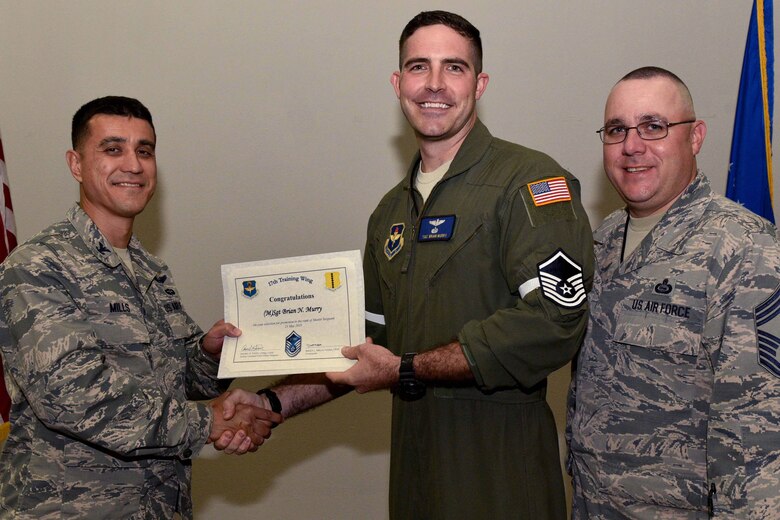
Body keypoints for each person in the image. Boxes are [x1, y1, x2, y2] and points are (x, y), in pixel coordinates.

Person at [218, 11, 593, 519]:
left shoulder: (529, 183)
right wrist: (272, 405)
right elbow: (360, 350)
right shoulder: (390, 213)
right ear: (398, 83)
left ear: (480, 84)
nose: (434, 84)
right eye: (419, 67)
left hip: (500, 478)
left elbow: (555, 323)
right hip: (417, 480)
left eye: (454, 68)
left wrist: (407, 368)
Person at [0, 96, 282, 519]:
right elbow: (74, 398)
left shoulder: (150, 269)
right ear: (76, 164)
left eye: (144, 151)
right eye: (113, 149)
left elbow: (184, 377)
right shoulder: (37, 268)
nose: (133, 164)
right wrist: (211, 423)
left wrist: (211, 350)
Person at [567, 66, 780, 518]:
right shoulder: (600, 243)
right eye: (616, 129)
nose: (632, 146)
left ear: (696, 136)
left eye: (653, 126)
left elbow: (760, 438)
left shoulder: (744, 249)